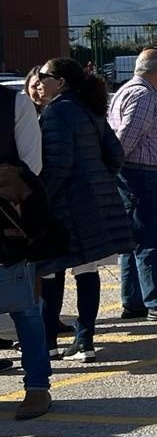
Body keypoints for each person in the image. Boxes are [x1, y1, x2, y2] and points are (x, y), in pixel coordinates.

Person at [36, 59, 131, 362]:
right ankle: (84, 340)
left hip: (65, 204)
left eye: (44, 76)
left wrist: (40, 199)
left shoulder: (56, 112)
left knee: (51, 270)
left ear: (60, 82)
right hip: (96, 201)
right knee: (87, 270)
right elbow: (115, 153)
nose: (39, 81)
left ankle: (49, 341)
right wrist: (100, 178)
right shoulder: (89, 108)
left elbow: (58, 165)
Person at [108, 49, 157, 322]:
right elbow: (125, 138)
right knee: (150, 242)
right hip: (144, 176)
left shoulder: (126, 91)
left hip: (138, 175)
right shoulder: (142, 95)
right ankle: (156, 301)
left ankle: (135, 301)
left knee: (133, 243)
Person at [1, 77, 52, 418]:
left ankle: (37, 387)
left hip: (8, 220)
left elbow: (31, 166)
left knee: (24, 306)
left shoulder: (15, 104)